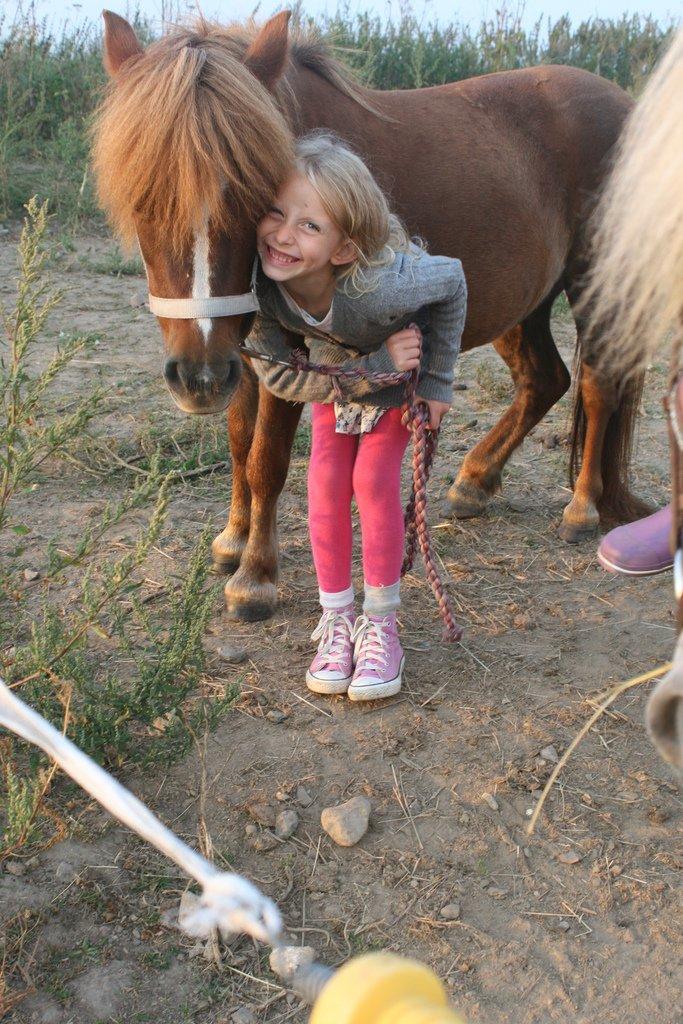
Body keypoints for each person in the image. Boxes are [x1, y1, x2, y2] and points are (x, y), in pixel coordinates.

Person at [248, 132, 467, 701]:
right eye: (276, 213)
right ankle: (337, 620)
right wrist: (369, 363)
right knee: (322, 484)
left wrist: (438, 380)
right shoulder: (262, 293)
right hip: (336, 379)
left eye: (309, 226)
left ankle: (381, 625)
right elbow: (276, 374)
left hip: (395, 388)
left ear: (344, 249)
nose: (282, 234)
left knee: (372, 483)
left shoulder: (382, 289)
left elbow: (454, 279)